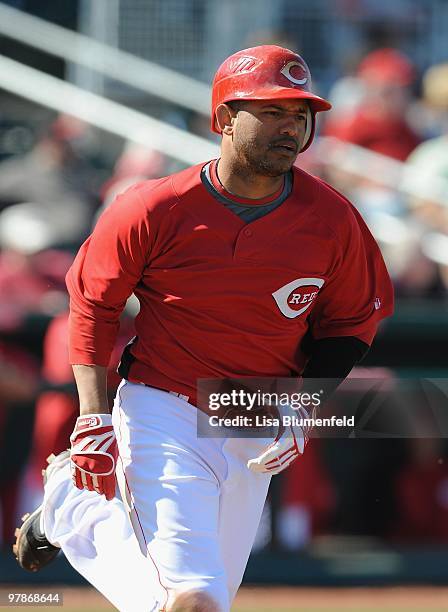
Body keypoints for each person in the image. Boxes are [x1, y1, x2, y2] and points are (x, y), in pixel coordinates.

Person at [14, 45, 393, 612]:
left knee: (185, 601)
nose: (290, 127)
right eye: (271, 112)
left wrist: (301, 403)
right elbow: (92, 305)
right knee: (197, 599)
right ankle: (81, 508)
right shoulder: (151, 207)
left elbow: (350, 327)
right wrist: (93, 417)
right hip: (163, 404)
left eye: (300, 114)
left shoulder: (334, 218)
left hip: (253, 412)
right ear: (222, 119)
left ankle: (79, 509)